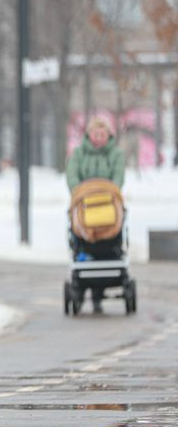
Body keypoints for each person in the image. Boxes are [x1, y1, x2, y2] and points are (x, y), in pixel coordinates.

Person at [66, 116, 125, 313]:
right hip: (84, 205)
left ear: (108, 135)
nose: (98, 138)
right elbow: (72, 175)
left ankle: (99, 290)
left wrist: (111, 191)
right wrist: (80, 193)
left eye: (102, 134)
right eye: (95, 134)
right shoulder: (78, 154)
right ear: (89, 135)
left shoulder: (116, 154)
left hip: (108, 205)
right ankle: (83, 285)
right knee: (77, 228)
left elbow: (118, 176)